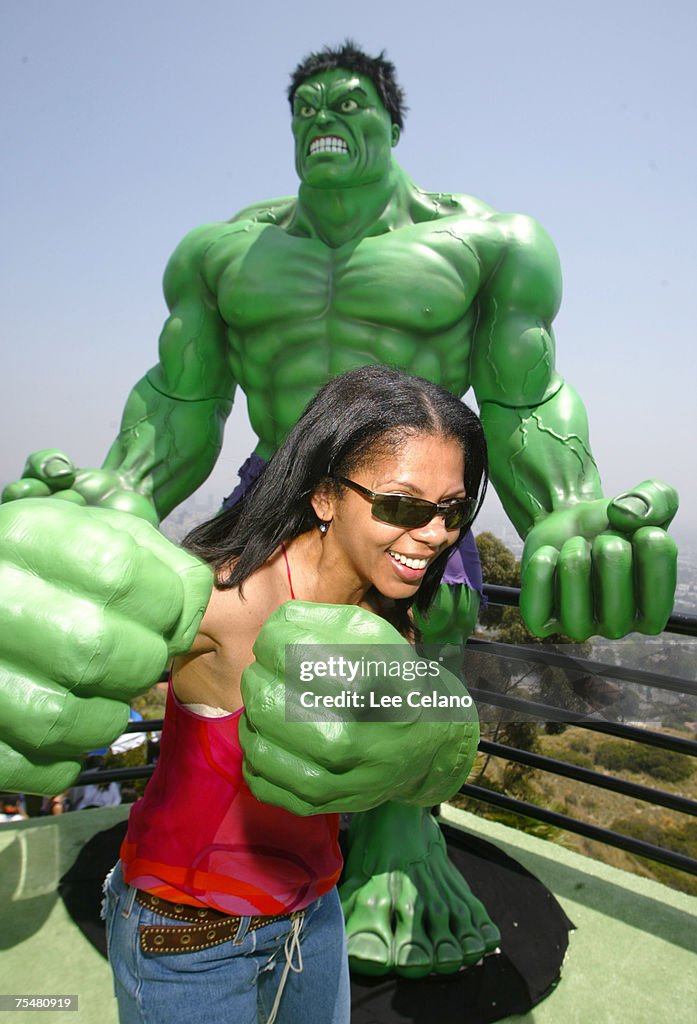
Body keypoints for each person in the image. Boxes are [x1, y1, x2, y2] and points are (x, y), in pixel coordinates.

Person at [0, 41, 678, 975]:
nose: (325, 115)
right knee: (203, 627)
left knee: (425, 611)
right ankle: (206, 840)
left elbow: (522, 394)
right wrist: (117, 497)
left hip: (402, 486)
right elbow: (181, 395)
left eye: (350, 101)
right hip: (281, 475)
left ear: (391, 122)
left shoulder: (484, 243)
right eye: (306, 104)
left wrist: (567, 505)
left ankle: (401, 834)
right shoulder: (223, 251)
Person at [100, 365, 485, 1023]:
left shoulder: (387, 607)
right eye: (400, 505)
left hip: (314, 914)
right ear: (324, 495)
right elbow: (97, 659)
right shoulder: (222, 598)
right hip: (187, 937)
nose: (433, 534)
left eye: (452, 509)